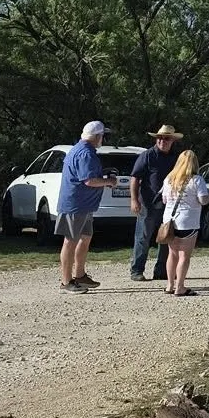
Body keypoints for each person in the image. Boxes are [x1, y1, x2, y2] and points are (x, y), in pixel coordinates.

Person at [56, 120, 117, 293]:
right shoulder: (86, 154)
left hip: (84, 205)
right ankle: (66, 281)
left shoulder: (80, 150)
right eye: (103, 136)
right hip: (76, 205)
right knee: (70, 241)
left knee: (85, 237)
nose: (103, 139)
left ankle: (80, 275)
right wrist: (109, 181)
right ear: (97, 136)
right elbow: (89, 180)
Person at [129, 123, 182, 283]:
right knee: (143, 237)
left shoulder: (176, 157)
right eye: (159, 138)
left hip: (169, 205)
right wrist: (134, 199)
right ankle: (137, 270)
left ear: (172, 140)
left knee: (166, 237)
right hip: (148, 204)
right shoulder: (147, 155)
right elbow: (135, 178)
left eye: (166, 139)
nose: (162, 141)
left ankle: (162, 271)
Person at [159, 149, 209, 297]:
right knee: (184, 255)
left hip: (169, 220)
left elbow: (164, 199)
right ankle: (180, 286)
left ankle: (169, 285)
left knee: (172, 253)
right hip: (188, 221)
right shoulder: (197, 180)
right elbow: (203, 200)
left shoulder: (169, 178)